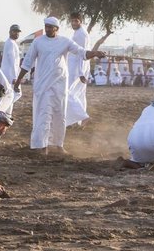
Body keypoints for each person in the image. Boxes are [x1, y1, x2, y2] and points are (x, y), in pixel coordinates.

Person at [13, 17, 105, 155]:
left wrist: (95, 53)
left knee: (60, 115)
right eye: (46, 26)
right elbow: (27, 62)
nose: (48, 29)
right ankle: (42, 146)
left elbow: (82, 52)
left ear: (57, 28)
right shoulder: (38, 42)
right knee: (43, 115)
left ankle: (58, 145)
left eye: (50, 27)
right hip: (43, 85)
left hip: (60, 85)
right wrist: (18, 80)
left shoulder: (65, 41)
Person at [66, 12, 91, 127]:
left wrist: (81, 73)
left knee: (68, 93)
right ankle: (78, 122)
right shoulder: (79, 33)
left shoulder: (81, 34)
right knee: (79, 94)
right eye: (72, 21)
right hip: (78, 67)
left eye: (76, 21)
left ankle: (83, 117)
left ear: (80, 21)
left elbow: (82, 53)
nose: (73, 23)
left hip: (77, 68)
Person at [0, 24, 22, 114]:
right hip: (9, 75)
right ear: (10, 32)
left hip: (10, 74)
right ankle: (3, 111)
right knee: (13, 94)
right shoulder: (10, 43)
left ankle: (5, 112)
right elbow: (12, 60)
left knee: (11, 94)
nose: (16, 33)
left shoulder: (12, 43)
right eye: (14, 31)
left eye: (18, 32)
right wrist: (15, 77)